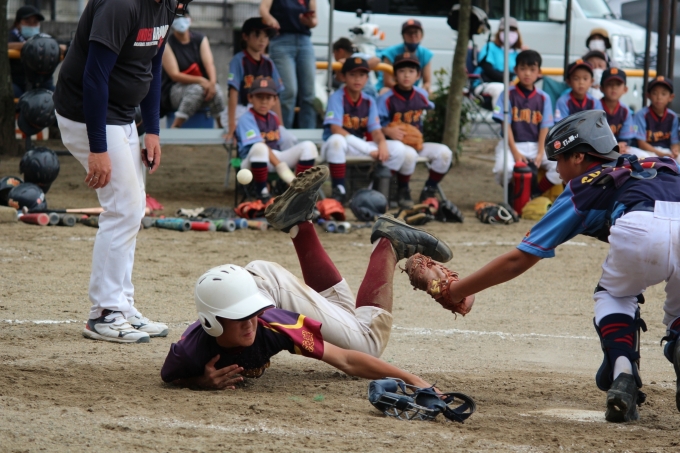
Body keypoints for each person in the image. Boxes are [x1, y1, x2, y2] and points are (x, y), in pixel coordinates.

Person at [417, 109, 680, 423]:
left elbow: (520, 259)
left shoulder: (584, 185)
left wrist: (454, 290)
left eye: (560, 160)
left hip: (638, 226)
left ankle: (623, 374)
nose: (557, 170)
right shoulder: (662, 163)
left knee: (614, 295)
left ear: (579, 156)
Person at [161, 166, 453, 388]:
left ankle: (388, 245)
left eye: (251, 314)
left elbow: (346, 359)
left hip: (261, 288)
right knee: (343, 318)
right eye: (240, 317)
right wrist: (199, 381)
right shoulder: (189, 354)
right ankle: (299, 224)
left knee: (367, 344)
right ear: (212, 323)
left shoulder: (271, 322)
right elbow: (170, 375)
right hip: (252, 286)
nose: (250, 322)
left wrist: (415, 381)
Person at [52, 0, 189, 343]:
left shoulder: (166, 4)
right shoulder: (121, 5)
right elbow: (94, 77)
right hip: (87, 113)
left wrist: (152, 129)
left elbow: (152, 65)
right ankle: (104, 313)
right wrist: (98, 147)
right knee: (123, 208)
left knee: (133, 207)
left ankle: (122, 306)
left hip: (122, 114)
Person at [321, 57, 414, 205]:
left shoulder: (369, 100)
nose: (357, 79)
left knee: (399, 149)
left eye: (362, 75)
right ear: (344, 77)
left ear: (367, 78)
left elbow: (375, 130)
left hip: (359, 146)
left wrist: (382, 143)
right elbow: (336, 129)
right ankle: (339, 191)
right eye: (352, 74)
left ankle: (373, 191)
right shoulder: (337, 97)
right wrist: (368, 149)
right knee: (336, 141)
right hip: (336, 148)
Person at [378, 53, 453, 203]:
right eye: (401, 71)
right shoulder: (386, 98)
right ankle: (403, 190)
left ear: (418, 75)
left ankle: (429, 190)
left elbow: (431, 107)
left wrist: (431, 116)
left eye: (411, 71)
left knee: (445, 153)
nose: (406, 75)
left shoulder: (421, 95)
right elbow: (373, 124)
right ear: (394, 75)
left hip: (417, 143)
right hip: (395, 146)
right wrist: (386, 130)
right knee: (410, 155)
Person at [235, 77, 318, 200]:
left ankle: (298, 191)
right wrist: (285, 172)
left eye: (268, 97)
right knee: (260, 147)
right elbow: (259, 146)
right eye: (259, 97)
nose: (264, 101)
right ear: (250, 98)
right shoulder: (246, 118)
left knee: (308, 146)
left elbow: (284, 142)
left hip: (274, 158)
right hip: (251, 162)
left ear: (275, 100)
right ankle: (262, 192)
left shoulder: (273, 117)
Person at [223, 17, 295, 149]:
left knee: (287, 139)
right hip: (242, 110)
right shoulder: (239, 60)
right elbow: (233, 93)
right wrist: (232, 126)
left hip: (264, 109)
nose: (262, 40)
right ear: (245, 36)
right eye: (257, 35)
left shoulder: (269, 63)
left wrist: (280, 126)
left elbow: (275, 97)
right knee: (256, 142)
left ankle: (279, 161)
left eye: (266, 36)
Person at [491, 50, 558, 191]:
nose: (527, 73)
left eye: (532, 69)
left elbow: (544, 128)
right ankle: (513, 196)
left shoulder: (544, 97)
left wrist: (540, 153)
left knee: (559, 166)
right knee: (503, 169)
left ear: (539, 72)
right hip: (511, 144)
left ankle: (535, 192)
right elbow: (505, 126)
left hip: (536, 145)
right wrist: (515, 152)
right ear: (515, 70)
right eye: (523, 69)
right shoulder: (507, 94)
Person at [260, 0, 318, 129]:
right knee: (288, 92)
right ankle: (282, 132)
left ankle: (309, 134)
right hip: (281, 40)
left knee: (309, 94)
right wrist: (271, 20)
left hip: (304, 40)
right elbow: (263, 9)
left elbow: (314, 21)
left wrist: (308, 21)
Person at [161, 12, 226, 128]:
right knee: (197, 90)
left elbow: (209, 64)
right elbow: (174, 75)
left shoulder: (200, 39)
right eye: (177, 17)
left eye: (183, 16)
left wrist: (211, 83)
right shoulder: (167, 43)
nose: (181, 20)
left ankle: (222, 127)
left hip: (203, 88)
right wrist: (201, 80)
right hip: (176, 90)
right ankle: (175, 126)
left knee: (216, 89)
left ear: (190, 18)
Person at [8, 5, 64, 97]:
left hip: (42, 82)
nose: (32, 25)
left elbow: (61, 46)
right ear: (17, 23)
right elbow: (6, 45)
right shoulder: (10, 36)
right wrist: (29, 45)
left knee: (59, 95)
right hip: (18, 82)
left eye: (35, 22)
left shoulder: (43, 38)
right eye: (27, 22)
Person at [473, 16, 523, 108]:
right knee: (501, 89)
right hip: (485, 84)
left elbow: (520, 74)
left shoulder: (517, 54)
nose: (509, 32)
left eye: (513, 30)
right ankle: (500, 117)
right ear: (499, 32)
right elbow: (488, 70)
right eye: (506, 29)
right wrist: (509, 80)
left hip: (510, 84)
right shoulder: (489, 47)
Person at [629, 77, 680, 161]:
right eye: (654, 93)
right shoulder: (642, 114)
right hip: (647, 151)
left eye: (663, 94)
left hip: (666, 151)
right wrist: (662, 154)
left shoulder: (672, 116)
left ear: (671, 97)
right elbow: (641, 143)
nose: (659, 97)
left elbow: (674, 142)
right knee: (644, 157)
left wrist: (675, 151)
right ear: (648, 95)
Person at [378, 19, 433, 95]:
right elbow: (388, 82)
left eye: (416, 32)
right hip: (392, 90)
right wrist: (406, 90)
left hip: (411, 91)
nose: (413, 35)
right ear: (403, 36)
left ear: (422, 35)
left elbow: (427, 82)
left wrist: (422, 91)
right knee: (384, 91)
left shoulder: (425, 53)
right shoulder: (390, 53)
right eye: (409, 33)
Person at [599, 68, 635, 154]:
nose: (614, 88)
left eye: (618, 84)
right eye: (609, 84)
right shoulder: (595, 107)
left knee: (642, 156)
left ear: (625, 89)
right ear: (601, 88)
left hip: (620, 149)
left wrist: (620, 146)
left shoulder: (625, 110)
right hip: (599, 149)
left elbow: (626, 139)